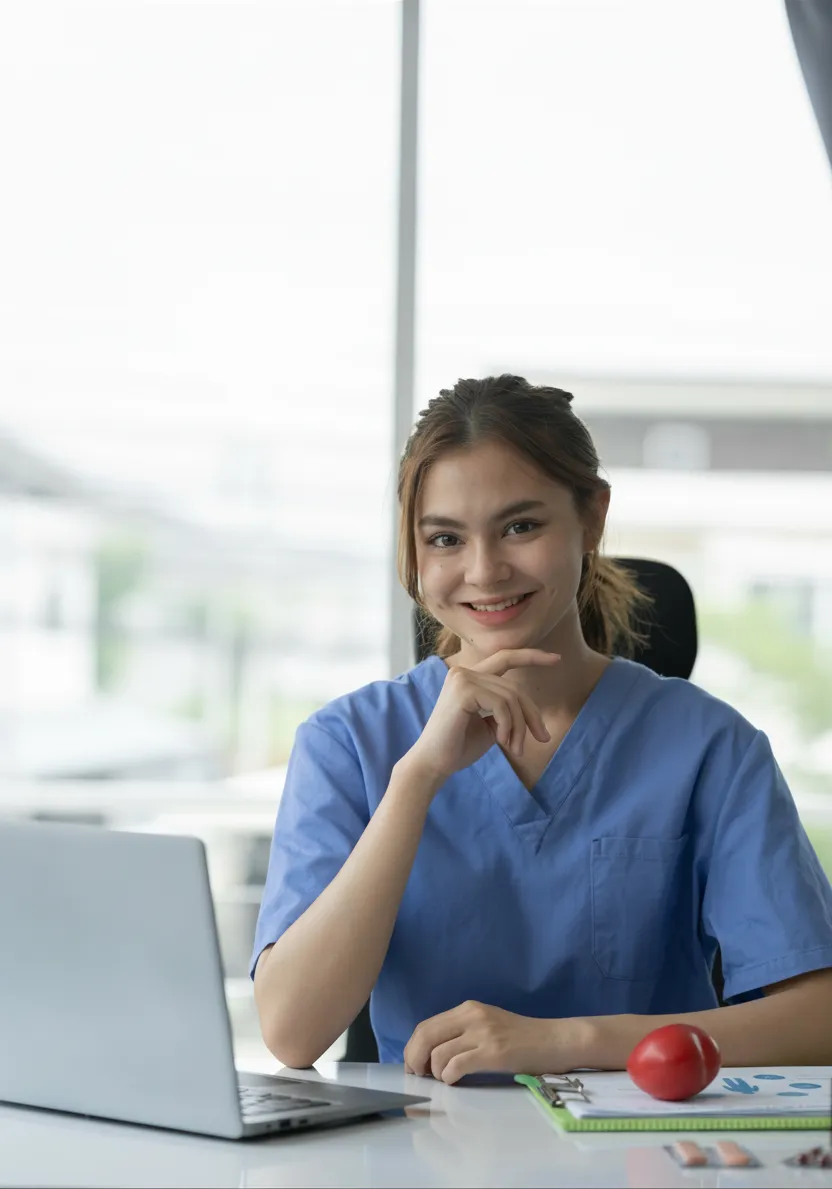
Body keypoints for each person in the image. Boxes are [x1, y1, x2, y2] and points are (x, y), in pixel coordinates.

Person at [252, 374, 832, 1083]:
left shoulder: (711, 748)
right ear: (415, 552)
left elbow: (817, 1019)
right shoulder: (349, 743)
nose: (485, 571)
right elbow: (291, 1031)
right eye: (445, 538)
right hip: (417, 1154)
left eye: (521, 526)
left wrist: (565, 1042)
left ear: (591, 518)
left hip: (642, 1153)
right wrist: (417, 778)